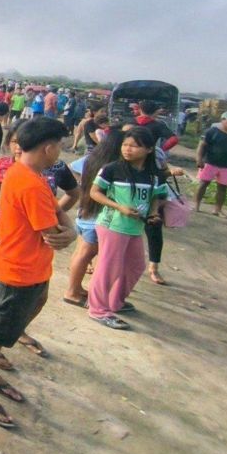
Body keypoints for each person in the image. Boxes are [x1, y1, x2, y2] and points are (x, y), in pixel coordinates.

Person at [0, 117, 76, 428]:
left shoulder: (27, 174)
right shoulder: (29, 183)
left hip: (30, 268)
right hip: (17, 272)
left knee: (4, 327)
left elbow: (58, 212)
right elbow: (53, 233)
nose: (61, 152)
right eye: (60, 147)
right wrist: (70, 232)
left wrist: (70, 230)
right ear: (48, 148)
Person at [86, 127, 167, 330]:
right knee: (108, 268)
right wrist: (119, 206)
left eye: (134, 146)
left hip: (135, 227)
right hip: (113, 224)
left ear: (149, 149)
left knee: (136, 266)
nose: (127, 149)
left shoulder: (154, 174)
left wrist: (154, 213)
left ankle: (115, 301)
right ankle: (98, 309)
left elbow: (156, 197)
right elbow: (95, 192)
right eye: (125, 145)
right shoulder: (112, 169)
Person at [63, 127, 125, 307]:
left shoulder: (92, 159)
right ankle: (72, 292)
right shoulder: (113, 167)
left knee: (80, 253)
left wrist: (82, 185)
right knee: (85, 254)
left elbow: (71, 168)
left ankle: (76, 288)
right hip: (97, 217)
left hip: (85, 212)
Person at [195, 111, 227, 217]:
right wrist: (199, 159)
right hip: (210, 162)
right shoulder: (212, 131)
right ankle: (197, 205)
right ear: (222, 120)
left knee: (223, 187)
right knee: (203, 184)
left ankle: (218, 210)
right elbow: (202, 146)